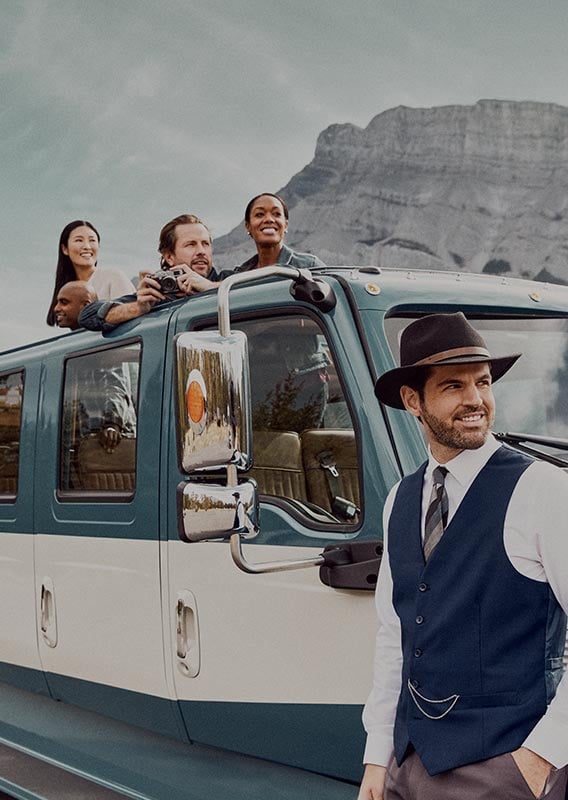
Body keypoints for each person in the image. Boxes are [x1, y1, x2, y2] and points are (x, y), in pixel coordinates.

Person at [360, 312, 568, 800]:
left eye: (484, 382)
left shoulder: (544, 490)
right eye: (454, 386)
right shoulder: (401, 499)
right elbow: (396, 636)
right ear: (413, 401)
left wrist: (539, 760)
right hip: (407, 766)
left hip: (505, 767)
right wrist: (378, 758)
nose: (476, 400)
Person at [79, 214, 215, 333]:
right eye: (191, 244)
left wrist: (211, 287)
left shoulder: (231, 282)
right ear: (169, 257)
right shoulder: (156, 295)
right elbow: (88, 316)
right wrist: (137, 308)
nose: (201, 251)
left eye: (205, 244)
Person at [46, 220, 135, 326]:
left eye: (92, 240)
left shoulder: (113, 277)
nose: (87, 246)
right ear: (65, 249)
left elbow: (131, 317)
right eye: (79, 240)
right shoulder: (67, 290)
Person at [236, 192, 324, 272]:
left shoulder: (310, 266)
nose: (269, 219)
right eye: (260, 214)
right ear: (248, 227)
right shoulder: (238, 277)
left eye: (276, 214)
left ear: (285, 225)